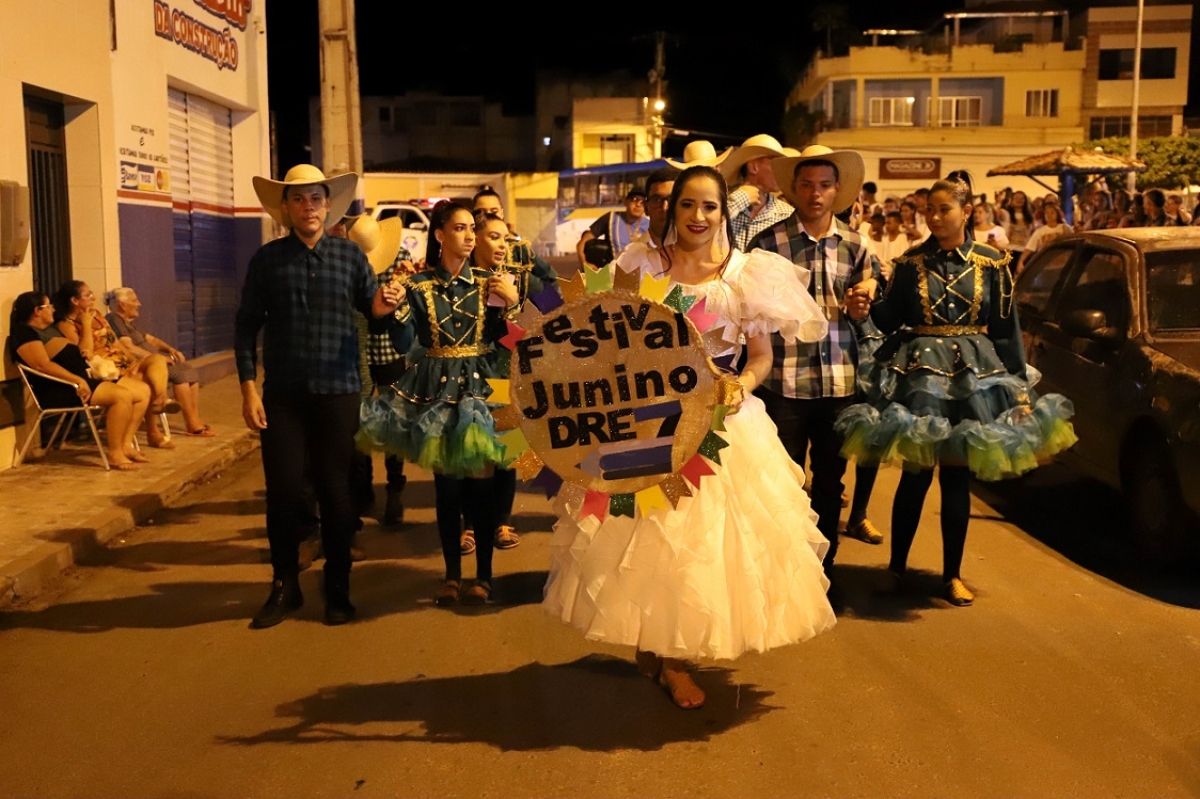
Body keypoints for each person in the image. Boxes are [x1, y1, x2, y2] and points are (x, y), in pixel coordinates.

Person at [543, 165, 836, 709]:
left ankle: (669, 652)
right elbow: (601, 335)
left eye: (710, 207)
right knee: (649, 538)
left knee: (697, 545)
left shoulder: (749, 274)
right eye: (688, 206)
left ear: (722, 213)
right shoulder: (641, 264)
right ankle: (666, 654)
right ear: (671, 209)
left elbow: (762, 358)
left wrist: (739, 385)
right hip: (649, 417)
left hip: (723, 423)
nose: (699, 217)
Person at [835, 178, 1077, 606]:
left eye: (944, 209)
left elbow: (1006, 332)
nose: (934, 217)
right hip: (919, 379)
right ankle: (896, 568)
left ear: (966, 212)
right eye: (930, 209)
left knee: (956, 480)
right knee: (914, 477)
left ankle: (952, 574)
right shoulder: (910, 263)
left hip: (974, 378)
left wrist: (1019, 390)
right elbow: (890, 320)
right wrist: (863, 308)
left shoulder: (993, 263)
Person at [235, 164, 405, 629]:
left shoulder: (351, 258)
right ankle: (284, 584)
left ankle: (338, 589)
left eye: (316, 198)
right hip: (283, 397)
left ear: (328, 206)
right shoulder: (267, 260)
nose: (308, 207)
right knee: (285, 493)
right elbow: (246, 325)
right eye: (299, 199)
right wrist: (248, 387)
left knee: (335, 492)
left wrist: (384, 306)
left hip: (338, 393)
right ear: (285, 209)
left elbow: (373, 312)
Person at [358, 201, 519, 607]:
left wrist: (514, 304)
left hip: (482, 391)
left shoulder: (490, 283)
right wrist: (382, 313)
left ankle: (483, 576)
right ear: (441, 235)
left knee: (481, 489)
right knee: (447, 491)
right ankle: (451, 576)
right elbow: (402, 342)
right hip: (436, 392)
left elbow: (511, 339)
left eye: (472, 228)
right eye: (461, 228)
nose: (469, 235)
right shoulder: (417, 286)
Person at [745, 144, 878, 608]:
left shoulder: (858, 247)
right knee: (781, 482)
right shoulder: (767, 245)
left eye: (824, 185)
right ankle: (780, 574)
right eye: (806, 185)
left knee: (828, 483)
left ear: (837, 191)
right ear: (793, 190)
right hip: (784, 381)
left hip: (839, 382)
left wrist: (862, 306)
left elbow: (867, 315)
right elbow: (753, 315)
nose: (815, 193)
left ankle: (823, 572)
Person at [458, 211, 563, 554]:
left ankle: (503, 521)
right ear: (473, 239)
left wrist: (515, 301)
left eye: (506, 238)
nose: (502, 244)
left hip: (505, 375)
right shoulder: (460, 279)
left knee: (504, 452)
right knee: (471, 453)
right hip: (469, 374)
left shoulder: (520, 278)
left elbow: (551, 306)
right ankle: (470, 526)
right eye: (493, 237)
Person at [8, 291, 152, 471]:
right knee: (121, 397)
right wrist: (77, 380)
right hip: (59, 388)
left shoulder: (51, 329)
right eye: (48, 306)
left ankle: (126, 444)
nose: (53, 309)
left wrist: (84, 354)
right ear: (37, 311)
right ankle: (115, 453)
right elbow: (41, 365)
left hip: (83, 379)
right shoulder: (24, 333)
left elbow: (75, 349)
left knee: (142, 391)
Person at [53, 280, 178, 450]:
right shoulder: (67, 325)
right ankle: (151, 432)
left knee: (157, 360)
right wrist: (87, 325)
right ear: (75, 301)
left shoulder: (96, 314)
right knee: (146, 385)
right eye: (88, 295)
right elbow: (82, 353)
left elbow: (116, 342)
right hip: (108, 371)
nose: (93, 298)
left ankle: (161, 399)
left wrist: (133, 362)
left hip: (123, 362)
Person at [105, 287, 212, 437]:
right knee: (181, 374)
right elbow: (127, 346)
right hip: (143, 365)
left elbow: (151, 339)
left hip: (155, 362)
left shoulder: (127, 323)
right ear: (122, 304)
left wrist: (170, 349)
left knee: (189, 372)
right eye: (135, 300)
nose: (139, 304)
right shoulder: (114, 319)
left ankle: (194, 420)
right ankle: (192, 424)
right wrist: (156, 359)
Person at [719, 134, 796, 251]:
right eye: (775, 164)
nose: (780, 171)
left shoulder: (786, 214)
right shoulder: (724, 205)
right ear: (753, 167)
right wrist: (740, 198)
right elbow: (708, 229)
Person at [576, 189, 649, 270]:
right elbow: (582, 242)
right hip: (613, 274)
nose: (638, 204)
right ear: (626, 202)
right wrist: (584, 263)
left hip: (641, 274)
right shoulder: (611, 218)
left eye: (643, 202)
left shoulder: (650, 225)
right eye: (634, 200)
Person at [1017, 202, 1069, 274]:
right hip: (1046, 265)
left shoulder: (1064, 228)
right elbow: (1029, 248)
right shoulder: (1040, 231)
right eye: (1046, 213)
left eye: (1052, 213)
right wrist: (1021, 262)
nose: (1049, 215)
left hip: (1063, 263)